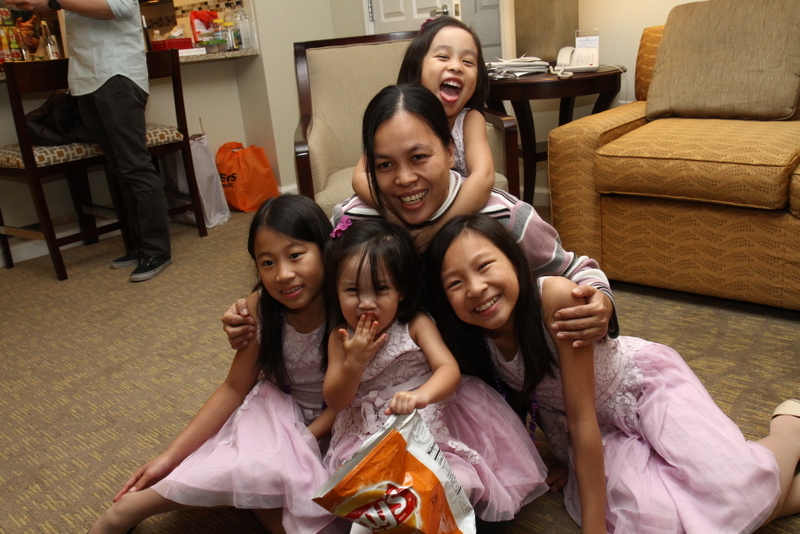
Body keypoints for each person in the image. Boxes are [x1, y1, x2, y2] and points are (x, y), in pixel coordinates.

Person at [425, 212, 800, 534]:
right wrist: (563, 460)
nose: (476, 288)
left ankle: (790, 429)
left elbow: (582, 416)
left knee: (734, 490)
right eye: (455, 283)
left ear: (515, 261)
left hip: (642, 394)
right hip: (592, 433)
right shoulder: (470, 339)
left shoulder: (554, 299)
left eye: (485, 266)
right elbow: (532, 405)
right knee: (657, 520)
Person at [221, 84, 617, 352]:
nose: (405, 179)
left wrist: (600, 302)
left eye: (419, 157)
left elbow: (575, 270)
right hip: (393, 381)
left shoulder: (503, 215)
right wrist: (250, 311)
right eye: (385, 165)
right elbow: (311, 281)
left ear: (450, 152)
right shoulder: (354, 222)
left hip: (486, 373)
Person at [89, 195, 345, 534]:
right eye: (267, 263)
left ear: (325, 248)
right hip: (277, 420)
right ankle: (131, 509)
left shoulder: (349, 302)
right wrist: (169, 457)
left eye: (295, 255)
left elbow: (355, 395)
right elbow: (233, 388)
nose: (283, 274)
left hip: (339, 424)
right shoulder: (261, 308)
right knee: (242, 467)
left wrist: (302, 444)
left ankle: (255, 493)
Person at [321, 218, 548, 532]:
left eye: (381, 288)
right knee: (379, 500)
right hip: (369, 433)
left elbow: (448, 370)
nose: (367, 302)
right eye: (352, 290)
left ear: (401, 290)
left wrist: (421, 396)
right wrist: (353, 364)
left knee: (452, 480)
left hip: (426, 420)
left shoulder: (415, 324)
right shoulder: (340, 338)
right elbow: (335, 400)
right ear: (335, 291)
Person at [7, 0, 173, 282]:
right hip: (85, 79)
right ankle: (141, 244)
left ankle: (158, 250)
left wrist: (53, 1)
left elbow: (121, 7)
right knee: (119, 168)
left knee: (134, 166)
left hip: (116, 74)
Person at [352, 16, 495, 250]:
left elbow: (484, 177)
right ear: (416, 67)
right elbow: (360, 177)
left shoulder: (470, 119)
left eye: (468, 61)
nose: (456, 66)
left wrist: (434, 231)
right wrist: (396, 216)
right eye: (443, 56)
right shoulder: (397, 117)